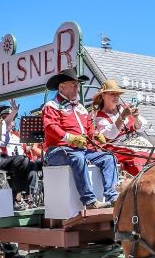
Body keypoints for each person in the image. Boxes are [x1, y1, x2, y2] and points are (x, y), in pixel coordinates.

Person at [42, 67, 118, 209]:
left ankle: (112, 196)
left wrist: (96, 134)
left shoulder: (81, 107)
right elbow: (50, 127)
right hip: (56, 151)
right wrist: (70, 138)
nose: (77, 88)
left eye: (77, 85)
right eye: (74, 85)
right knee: (77, 157)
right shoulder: (51, 105)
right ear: (62, 87)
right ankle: (89, 201)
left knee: (109, 157)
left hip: (80, 150)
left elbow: (89, 127)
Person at [91, 79, 155, 176]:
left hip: (136, 140)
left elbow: (140, 128)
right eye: (112, 94)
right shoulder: (100, 117)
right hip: (117, 146)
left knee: (154, 155)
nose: (116, 97)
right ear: (103, 95)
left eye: (117, 94)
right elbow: (111, 135)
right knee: (137, 157)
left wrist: (135, 118)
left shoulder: (125, 107)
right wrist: (122, 116)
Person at [0, 104, 40, 206]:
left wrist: (32, 139)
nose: (9, 120)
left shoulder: (18, 136)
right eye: (5, 118)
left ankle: (30, 195)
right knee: (23, 164)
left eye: (12, 118)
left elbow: (27, 149)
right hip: (9, 161)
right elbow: (0, 148)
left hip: (22, 160)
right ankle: (18, 196)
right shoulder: (0, 135)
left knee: (32, 165)